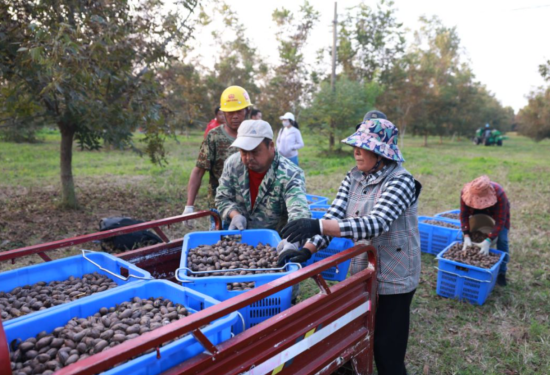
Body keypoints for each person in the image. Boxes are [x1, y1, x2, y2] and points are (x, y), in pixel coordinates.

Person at [277, 118, 421, 375]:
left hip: (395, 276)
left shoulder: (401, 181)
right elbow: (334, 214)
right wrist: (307, 249)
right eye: (355, 146)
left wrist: (318, 226)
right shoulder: (354, 176)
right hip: (364, 271)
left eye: (363, 147)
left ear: (380, 154)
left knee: (387, 351)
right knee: (357, 335)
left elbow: (375, 224)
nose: (356, 152)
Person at [215, 119, 310, 233]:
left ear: (271, 146)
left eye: (255, 151)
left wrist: (293, 238)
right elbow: (222, 197)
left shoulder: (290, 173)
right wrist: (235, 215)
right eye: (244, 152)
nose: (249, 157)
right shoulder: (233, 164)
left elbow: (299, 211)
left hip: (274, 241)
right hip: (238, 235)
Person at [183, 86, 252, 228]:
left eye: (239, 111)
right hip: (221, 207)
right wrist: (189, 206)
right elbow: (198, 170)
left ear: (247, 111)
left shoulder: (255, 136)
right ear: (223, 113)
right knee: (221, 246)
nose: (235, 116)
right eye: (230, 112)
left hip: (251, 207)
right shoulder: (214, 137)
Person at [460, 175, 510, 286]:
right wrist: (466, 235)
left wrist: (488, 240)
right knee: (463, 238)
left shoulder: (500, 194)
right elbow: (463, 215)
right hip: (476, 214)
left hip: (496, 214)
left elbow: (501, 220)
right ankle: (466, 266)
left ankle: (501, 272)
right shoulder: (465, 193)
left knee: (502, 240)